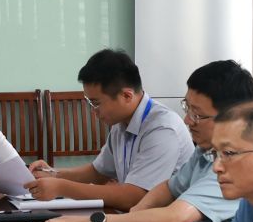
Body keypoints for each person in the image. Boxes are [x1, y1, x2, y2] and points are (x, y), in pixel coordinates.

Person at [43, 59, 253, 222]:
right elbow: (170, 187)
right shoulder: (206, 151)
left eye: (197, 114)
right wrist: (137, 211)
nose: (187, 120)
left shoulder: (236, 166)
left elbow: (173, 220)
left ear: (234, 118)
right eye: (187, 107)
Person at [27, 48, 194, 210]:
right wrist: (53, 173)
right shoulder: (121, 123)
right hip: (136, 218)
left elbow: (134, 198)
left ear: (126, 96)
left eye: (96, 103)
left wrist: (61, 187)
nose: (93, 111)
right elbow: (98, 172)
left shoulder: (162, 129)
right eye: (90, 103)